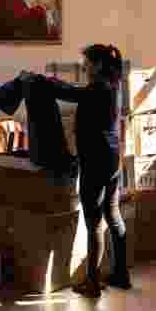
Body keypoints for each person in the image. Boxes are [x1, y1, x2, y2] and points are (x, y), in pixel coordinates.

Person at [20, 44, 130, 297]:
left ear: (99, 65)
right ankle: (121, 274)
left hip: (97, 160)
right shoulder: (114, 85)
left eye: (88, 62)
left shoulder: (100, 88)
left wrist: (45, 82)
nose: (84, 66)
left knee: (94, 223)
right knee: (112, 215)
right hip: (112, 159)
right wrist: (53, 82)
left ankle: (92, 282)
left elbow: (71, 94)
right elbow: (75, 92)